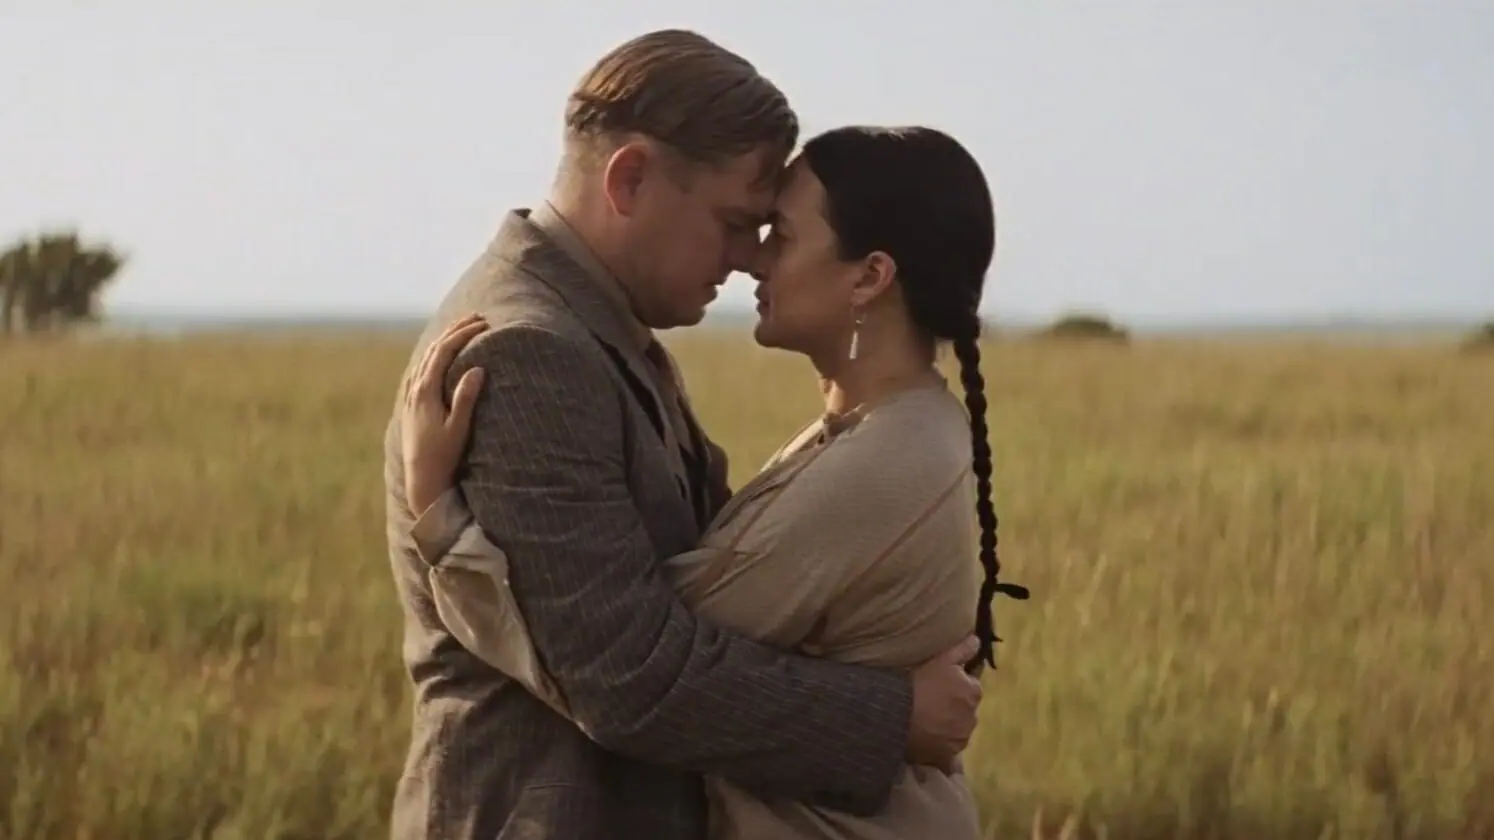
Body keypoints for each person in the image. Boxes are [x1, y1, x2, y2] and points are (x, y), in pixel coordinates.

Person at [382, 29, 991, 840]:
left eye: (771, 231)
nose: (748, 259)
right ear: (630, 178)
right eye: (739, 222)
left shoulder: (602, 331)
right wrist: (894, 717)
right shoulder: (529, 353)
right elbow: (627, 674)